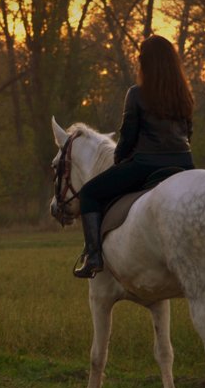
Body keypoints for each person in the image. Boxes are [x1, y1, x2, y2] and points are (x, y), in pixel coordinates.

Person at [74, 35, 196, 279]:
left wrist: (119, 159)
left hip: (145, 165)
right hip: (185, 164)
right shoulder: (184, 93)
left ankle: (94, 257)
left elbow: (128, 134)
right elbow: (188, 133)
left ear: (146, 63)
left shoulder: (136, 93)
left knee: (88, 193)